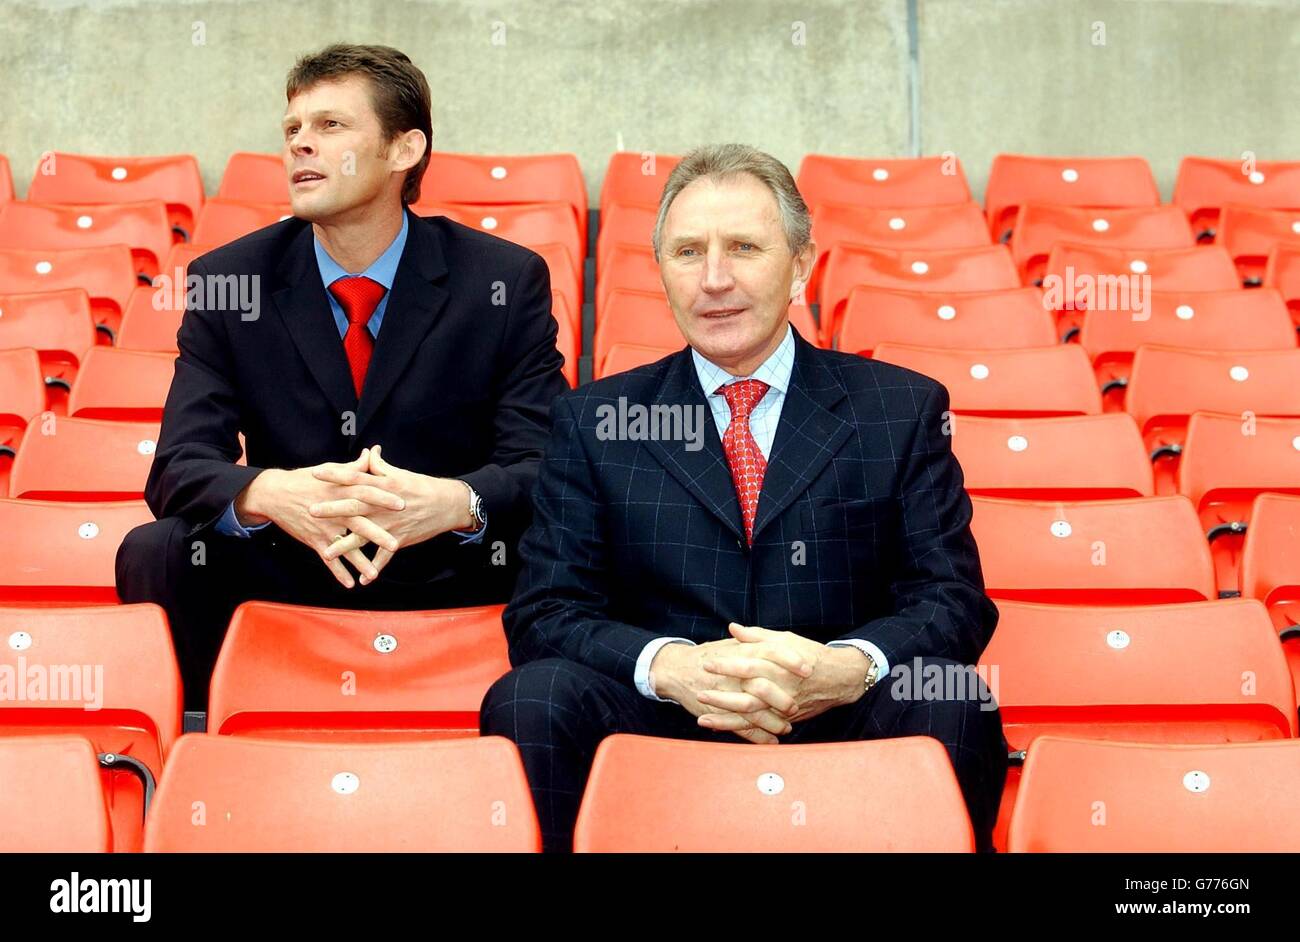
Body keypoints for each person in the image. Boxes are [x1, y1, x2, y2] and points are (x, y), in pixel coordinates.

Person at [482, 143, 1007, 851]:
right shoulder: (595, 419)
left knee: (954, 697)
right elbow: (545, 613)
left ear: (801, 264)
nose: (715, 279)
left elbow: (951, 600)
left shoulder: (899, 408)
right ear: (661, 272)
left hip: (835, 706)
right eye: (688, 252)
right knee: (533, 697)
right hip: (666, 712)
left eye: (745, 248)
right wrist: (671, 668)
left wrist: (844, 668)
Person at [117, 44, 567, 710]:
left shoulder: (502, 279)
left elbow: (543, 464)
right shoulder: (229, 281)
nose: (301, 145)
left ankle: (524, 729)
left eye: (330, 127)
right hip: (294, 558)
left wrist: (451, 503)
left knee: (570, 552)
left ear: (404, 149)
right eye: (293, 130)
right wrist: (272, 493)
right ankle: (206, 742)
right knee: (158, 549)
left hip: (449, 559)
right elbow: (178, 467)